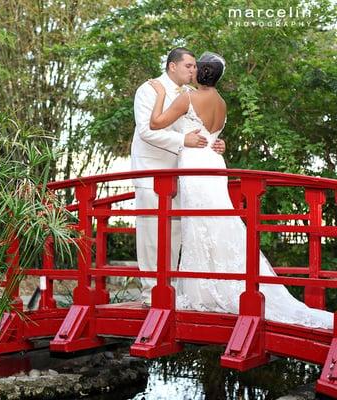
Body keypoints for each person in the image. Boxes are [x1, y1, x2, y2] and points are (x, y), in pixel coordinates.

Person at [148, 51, 333, 329]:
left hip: (195, 163)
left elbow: (156, 123)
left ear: (199, 73)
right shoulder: (221, 103)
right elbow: (214, 135)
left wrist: (160, 92)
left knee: (198, 224)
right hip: (214, 161)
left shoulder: (187, 97)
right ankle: (224, 286)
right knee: (219, 221)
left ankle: (203, 292)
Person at [131, 47, 226, 305]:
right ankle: (152, 291)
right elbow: (146, 132)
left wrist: (215, 143)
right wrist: (184, 140)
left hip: (184, 173)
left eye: (196, 67)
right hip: (152, 170)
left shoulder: (190, 95)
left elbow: (201, 130)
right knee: (152, 231)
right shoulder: (149, 89)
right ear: (172, 66)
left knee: (176, 233)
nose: (194, 70)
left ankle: (171, 288)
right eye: (189, 66)